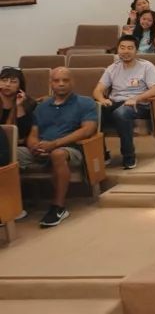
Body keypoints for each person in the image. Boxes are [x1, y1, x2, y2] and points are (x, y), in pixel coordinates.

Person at [19, 68, 97, 228]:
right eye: (56, 80)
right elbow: (33, 133)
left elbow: (88, 129)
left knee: (57, 154)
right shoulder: (42, 106)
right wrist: (34, 145)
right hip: (42, 148)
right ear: (50, 83)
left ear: (72, 82)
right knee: (9, 154)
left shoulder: (85, 103)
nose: (61, 84)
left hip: (71, 150)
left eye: (65, 80)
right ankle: (10, 205)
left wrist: (54, 144)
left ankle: (59, 207)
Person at [93, 35, 155, 170]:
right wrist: (102, 99)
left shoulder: (146, 67)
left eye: (130, 48)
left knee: (121, 114)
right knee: (94, 112)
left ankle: (128, 156)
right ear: (117, 50)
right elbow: (97, 90)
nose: (126, 51)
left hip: (140, 104)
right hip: (116, 102)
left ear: (136, 51)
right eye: (122, 48)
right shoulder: (112, 68)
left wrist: (136, 99)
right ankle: (102, 153)